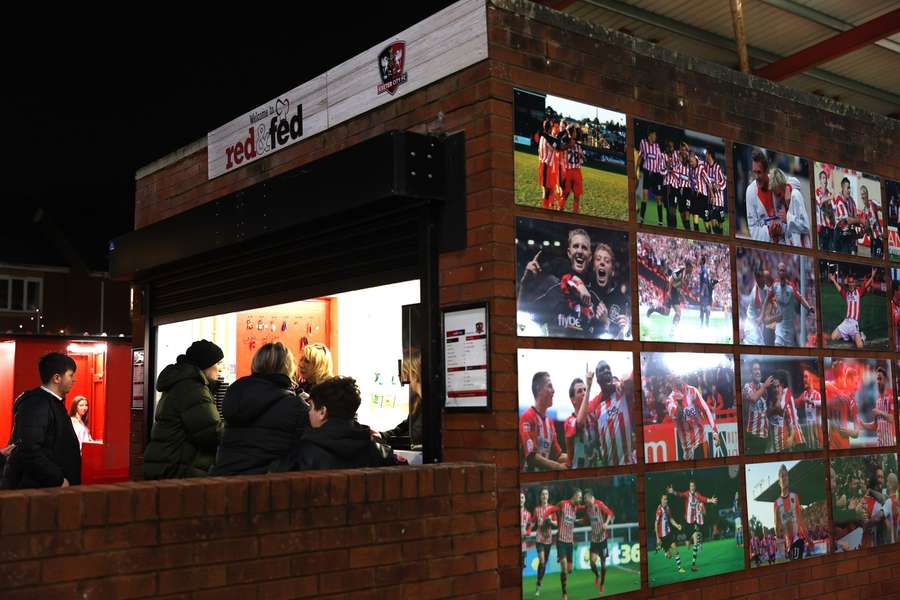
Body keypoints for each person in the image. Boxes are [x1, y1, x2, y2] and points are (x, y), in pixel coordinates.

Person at [211, 342, 309, 476]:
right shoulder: (296, 406)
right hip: (264, 485)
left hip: (223, 478)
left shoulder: (235, 393)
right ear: (288, 367)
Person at [142, 340, 225, 479]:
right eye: (218, 363)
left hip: (166, 464)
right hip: (176, 468)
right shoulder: (192, 388)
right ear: (205, 365)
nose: (221, 368)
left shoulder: (182, 384)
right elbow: (211, 433)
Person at [1, 353, 81, 489]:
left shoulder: (51, 402)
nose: (74, 380)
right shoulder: (37, 403)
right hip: (39, 492)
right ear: (57, 378)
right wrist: (58, 479)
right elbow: (29, 448)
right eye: (71, 375)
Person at [280, 376, 395, 470]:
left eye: (311, 407)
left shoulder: (303, 455)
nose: (308, 412)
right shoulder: (378, 452)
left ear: (322, 412)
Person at [666, 373, 721, 460]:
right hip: (686, 447)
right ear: (671, 384)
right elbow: (677, 414)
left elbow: (706, 410)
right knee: (690, 472)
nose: (678, 380)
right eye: (674, 379)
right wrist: (680, 402)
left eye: (679, 377)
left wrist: (715, 434)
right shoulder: (670, 400)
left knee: (706, 470)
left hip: (701, 441)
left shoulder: (692, 391)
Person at [520, 372, 567, 471]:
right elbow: (532, 457)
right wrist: (558, 467)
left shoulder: (550, 422)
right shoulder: (527, 417)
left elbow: (557, 456)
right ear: (539, 389)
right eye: (549, 386)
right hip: (527, 484)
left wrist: (576, 457)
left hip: (543, 484)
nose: (553, 391)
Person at [667, 481, 718, 572]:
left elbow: (703, 499)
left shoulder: (697, 494)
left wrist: (711, 500)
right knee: (687, 545)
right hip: (687, 522)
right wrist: (673, 491)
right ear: (689, 487)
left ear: (695, 487)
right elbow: (680, 494)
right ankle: (688, 540)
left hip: (694, 522)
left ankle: (693, 564)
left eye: (693, 486)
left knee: (696, 539)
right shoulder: (687, 494)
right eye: (691, 486)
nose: (692, 487)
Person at [543, 488, 582, 599]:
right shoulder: (563, 504)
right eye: (579, 496)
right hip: (561, 541)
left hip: (570, 542)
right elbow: (552, 509)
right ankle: (564, 593)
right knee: (564, 567)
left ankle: (568, 570)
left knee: (569, 570)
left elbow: (581, 511)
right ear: (574, 495)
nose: (580, 499)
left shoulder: (576, 508)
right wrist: (545, 516)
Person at [769, 261, 814, 347]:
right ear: (778, 272)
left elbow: (800, 298)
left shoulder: (791, 286)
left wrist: (808, 307)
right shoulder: (775, 286)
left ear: (785, 272)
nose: (782, 272)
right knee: (777, 347)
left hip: (790, 327)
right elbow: (767, 298)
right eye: (780, 270)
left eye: (783, 270)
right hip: (779, 326)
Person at [828, 268, 876, 349]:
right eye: (849, 282)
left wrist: (873, 276)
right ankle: (848, 336)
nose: (850, 284)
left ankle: (861, 336)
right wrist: (833, 280)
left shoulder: (858, 292)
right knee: (832, 337)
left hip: (854, 324)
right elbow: (839, 288)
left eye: (852, 282)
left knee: (860, 346)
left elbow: (867, 284)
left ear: (855, 283)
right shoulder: (846, 294)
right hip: (846, 323)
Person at [745, 150, 782, 243]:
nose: (756, 176)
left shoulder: (776, 181)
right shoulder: (750, 192)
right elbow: (753, 229)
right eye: (754, 172)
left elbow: (794, 183)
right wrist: (769, 231)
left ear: (766, 171)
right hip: (766, 246)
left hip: (784, 241)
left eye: (759, 172)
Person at [581, 489, 614, 592]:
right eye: (584, 500)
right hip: (594, 540)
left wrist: (606, 523)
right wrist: (576, 521)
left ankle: (602, 584)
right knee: (592, 563)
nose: (585, 501)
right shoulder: (587, 508)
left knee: (604, 565)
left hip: (603, 539)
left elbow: (610, 513)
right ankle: (597, 575)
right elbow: (586, 520)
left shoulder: (599, 504)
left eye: (586, 499)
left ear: (591, 497)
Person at [771, 168, 811, 247]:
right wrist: (780, 231)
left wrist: (788, 219)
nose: (778, 199)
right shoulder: (783, 202)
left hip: (803, 253)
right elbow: (791, 233)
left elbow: (806, 226)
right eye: (776, 196)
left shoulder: (795, 195)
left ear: (784, 185)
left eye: (779, 195)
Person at [774, 464, 806, 561]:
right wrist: (778, 529)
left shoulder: (795, 497)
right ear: (779, 481)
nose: (784, 478)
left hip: (798, 539)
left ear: (788, 478)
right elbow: (777, 529)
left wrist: (808, 539)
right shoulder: (776, 503)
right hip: (788, 544)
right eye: (782, 476)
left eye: (786, 475)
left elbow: (800, 521)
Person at [638, 128, 666, 225]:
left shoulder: (657, 146)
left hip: (656, 175)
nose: (655, 137)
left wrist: (662, 172)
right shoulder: (643, 143)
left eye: (656, 135)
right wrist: (637, 169)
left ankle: (660, 221)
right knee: (645, 195)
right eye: (654, 135)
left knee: (658, 198)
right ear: (650, 135)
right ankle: (641, 218)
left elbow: (661, 160)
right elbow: (640, 156)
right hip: (647, 172)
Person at [532, 487, 556, 596]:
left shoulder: (552, 508)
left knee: (543, 564)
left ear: (548, 496)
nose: (544, 496)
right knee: (541, 561)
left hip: (548, 539)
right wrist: (528, 529)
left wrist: (551, 522)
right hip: (539, 538)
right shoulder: (537, 510)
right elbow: (532, 522)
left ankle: (538, 582)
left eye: (546, 494)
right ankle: (538, 585)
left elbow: (557, 523)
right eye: (543, 494)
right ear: (540, 497)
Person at [655, 493, 686, 575]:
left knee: (675, 549)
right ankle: (663, 548)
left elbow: (671, 519)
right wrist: (657, 538)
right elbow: (655, 524)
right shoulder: (659, 510)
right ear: (661, 500)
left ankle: (679, 568)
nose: (666, 501)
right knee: (669, 556)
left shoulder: (668, 508)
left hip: (668, 534)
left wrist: (677, 525)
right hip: (662, 536)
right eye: (664, 499)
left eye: (666, 499)